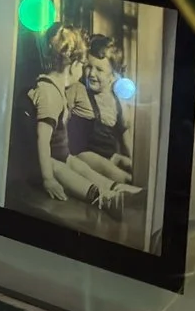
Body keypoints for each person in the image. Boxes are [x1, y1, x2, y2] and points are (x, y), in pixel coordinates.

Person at [25, 23, 130, 211]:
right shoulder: (50, 93)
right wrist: (48, 179)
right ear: (73, 65)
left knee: (78, 166)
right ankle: (99, 196)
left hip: (62, 155)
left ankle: (114, 187)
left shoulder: (58, 90)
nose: (85, 73)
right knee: (60, 167)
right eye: (84, 66)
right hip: (44, 161)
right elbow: (42, 139)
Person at [63, 32, 136, 193]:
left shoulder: (117, 100)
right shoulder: (79, 90)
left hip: (109, 157)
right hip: (82, 156)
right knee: (122, 177)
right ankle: (126, 187)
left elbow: (125, 135)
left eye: (99, 69)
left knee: (133, 169)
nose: (92, 74)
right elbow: (62, 121)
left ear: (113, 75)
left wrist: (132, 160)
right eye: (88, 66)